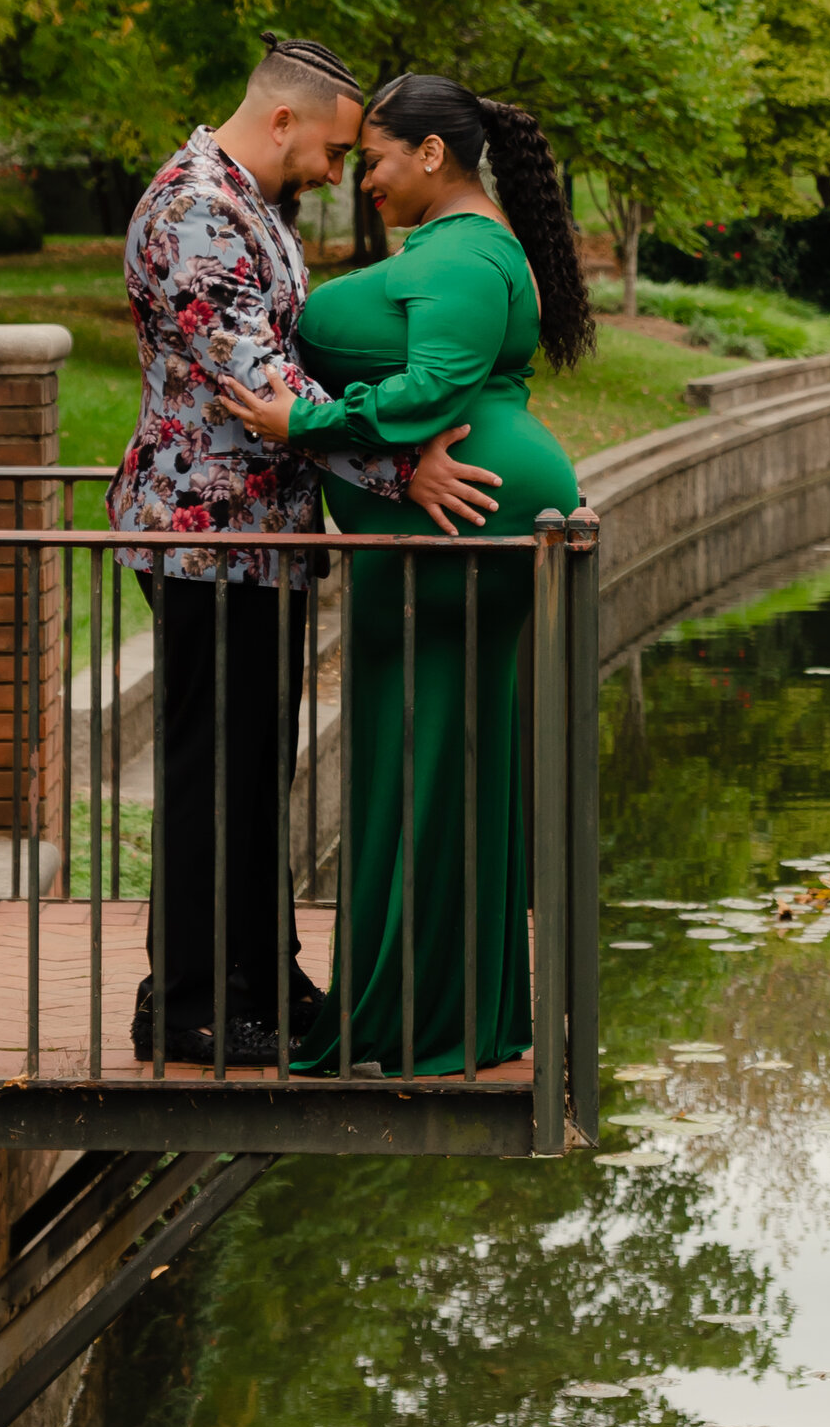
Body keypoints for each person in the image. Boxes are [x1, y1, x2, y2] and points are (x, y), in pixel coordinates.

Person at [110, 37, 500, 1068]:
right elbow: (262, 383)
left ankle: (262, 976)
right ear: (283, 119)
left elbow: (286, 376)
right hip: (205, 538)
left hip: (263, 538)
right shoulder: (196, 209)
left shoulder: (253, 205)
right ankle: (187, 1003)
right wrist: (400, 471)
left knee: (257, 770)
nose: (340, 175)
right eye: (333, 150)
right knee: (211, 771)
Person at [218, 70, 589, 1077]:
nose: (361, 178)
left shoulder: (464, 253)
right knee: (425, 756)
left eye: (373, 158)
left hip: (458, 523)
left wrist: (307, 420)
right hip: (441, 525)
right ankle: (434, 1008)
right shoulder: (456, 245)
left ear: (432, 154)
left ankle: (421, 1020)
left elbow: (430, 392)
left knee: (426, 761)